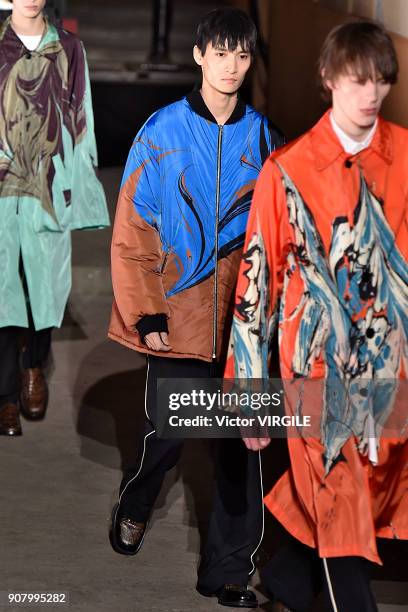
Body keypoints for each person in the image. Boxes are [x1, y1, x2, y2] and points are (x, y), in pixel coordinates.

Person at [225, 21, 407, 612]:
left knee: (367, 498)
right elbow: (257, 287)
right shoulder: (287, 171)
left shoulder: (405, 158)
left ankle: (285, 580)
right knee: (341, 510)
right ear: (328, 80)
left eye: (381, 80)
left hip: (391, 376)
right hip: (316, 376)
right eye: (358, 80)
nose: (371, 93)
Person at [108, 7, 284, 609]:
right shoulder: (160, 134)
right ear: (199, 56)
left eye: (242, 55)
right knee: (167, 439)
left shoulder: (264, 138)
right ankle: (135, 503)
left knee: (242, 450)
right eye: (221, 53)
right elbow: (133, 230)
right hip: (176, 319)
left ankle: (228, 573)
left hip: (244, 328)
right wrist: (147, 314)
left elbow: (280, 237)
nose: (232, 66)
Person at [0, 0, 109, 436]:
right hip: (3, 183)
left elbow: (82, 117)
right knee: (4, 285)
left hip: (49, 180)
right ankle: (7, 394)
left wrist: (82, 192)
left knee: (44, 284)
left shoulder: (68, 47)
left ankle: (34, 367)